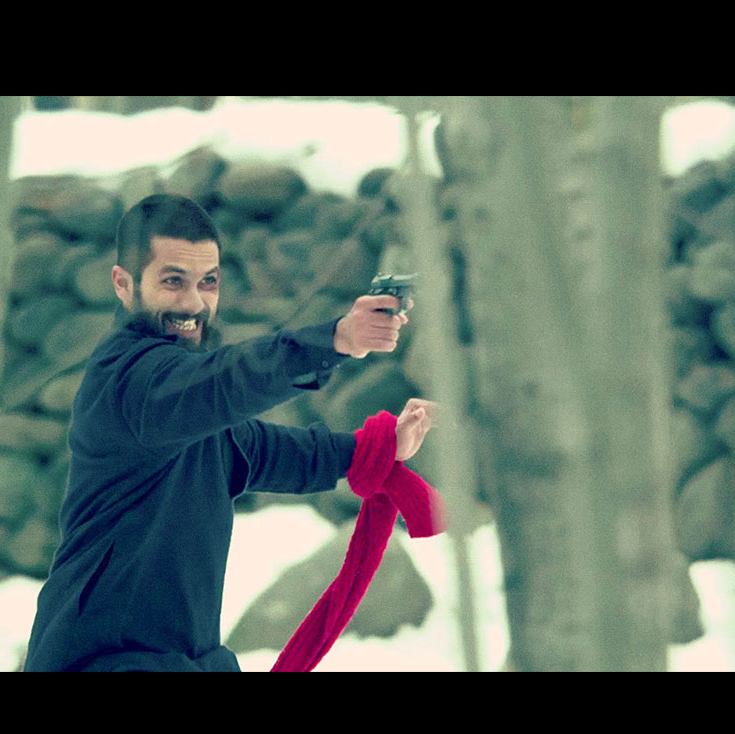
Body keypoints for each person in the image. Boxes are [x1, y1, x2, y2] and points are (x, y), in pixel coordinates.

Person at [23, 193, 434, 672]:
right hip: (101, 660)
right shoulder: (130, 382)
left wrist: (372, 448)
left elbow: (263, 450)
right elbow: (229, 381)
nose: (194, 302)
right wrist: (335, 339)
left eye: (208, 282)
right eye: (173, 281)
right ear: (123, 284)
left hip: (187, 658)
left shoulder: (190, 405)